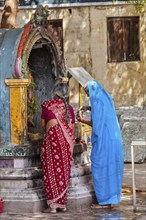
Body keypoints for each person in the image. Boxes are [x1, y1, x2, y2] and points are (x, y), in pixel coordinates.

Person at [76, 80, 124, 209]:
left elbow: (97, 125)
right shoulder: (106, 99)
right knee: (112, 168)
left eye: (88, 93)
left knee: (101, 166)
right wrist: (88, 107)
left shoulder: (98, 102)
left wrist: (83, 121)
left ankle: (104, 201)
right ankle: (110, 198)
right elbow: (101, 109)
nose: (88, 96)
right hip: (114, 139)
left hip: (105, 140)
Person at [41, 78, 75, 213]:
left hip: (52, 142)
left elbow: (43, 126)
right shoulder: (69, 108)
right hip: (66, 143)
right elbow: (72, 129)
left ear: (54, 92)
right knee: (64, 172)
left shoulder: (47, 105)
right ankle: (62, 204)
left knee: (51, 170)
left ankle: (53, 206)